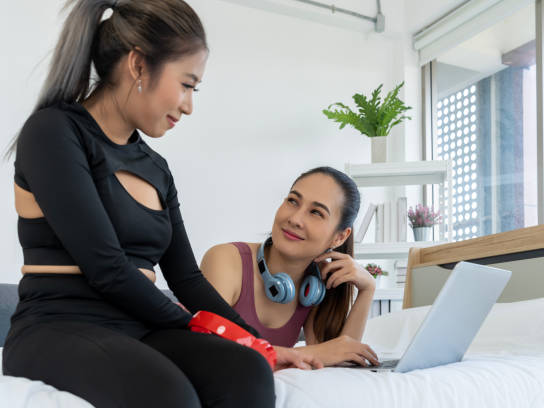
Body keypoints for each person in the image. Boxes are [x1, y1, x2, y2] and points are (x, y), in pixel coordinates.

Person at [2, 1, 317, 407]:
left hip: (139, 328)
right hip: (57, 327)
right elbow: (107, 268)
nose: (189, 105)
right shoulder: (53, 133)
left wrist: (257, 345)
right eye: (187, 84)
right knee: (169, 395)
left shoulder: (156, 168)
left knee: (246, 370)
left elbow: (186, 278)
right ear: (138, 65)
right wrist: (201, 327)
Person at [201, 167, 380, 367]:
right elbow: (206, 352)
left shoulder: (314, 287)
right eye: (293, 201)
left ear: (340, 237)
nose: (294, 219)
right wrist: (309, 353)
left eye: (316, 212)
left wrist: (367, 289)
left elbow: (339, 358)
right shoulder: (225, 260)